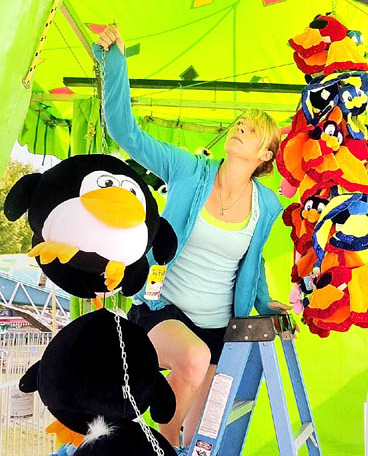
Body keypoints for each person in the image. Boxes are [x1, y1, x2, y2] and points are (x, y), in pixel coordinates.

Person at [95, 26, 291, 453]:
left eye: (253, 130)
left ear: (266, 156)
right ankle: (156, 451)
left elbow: (250, 264)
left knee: (204, 436)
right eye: (239, 123)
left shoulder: (268, 205)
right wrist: (116, 63)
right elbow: (125, 132)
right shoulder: (188, 170)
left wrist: (263, 302)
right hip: (164, 309)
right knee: (192, 365)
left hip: (221, 327)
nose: (241, 129)